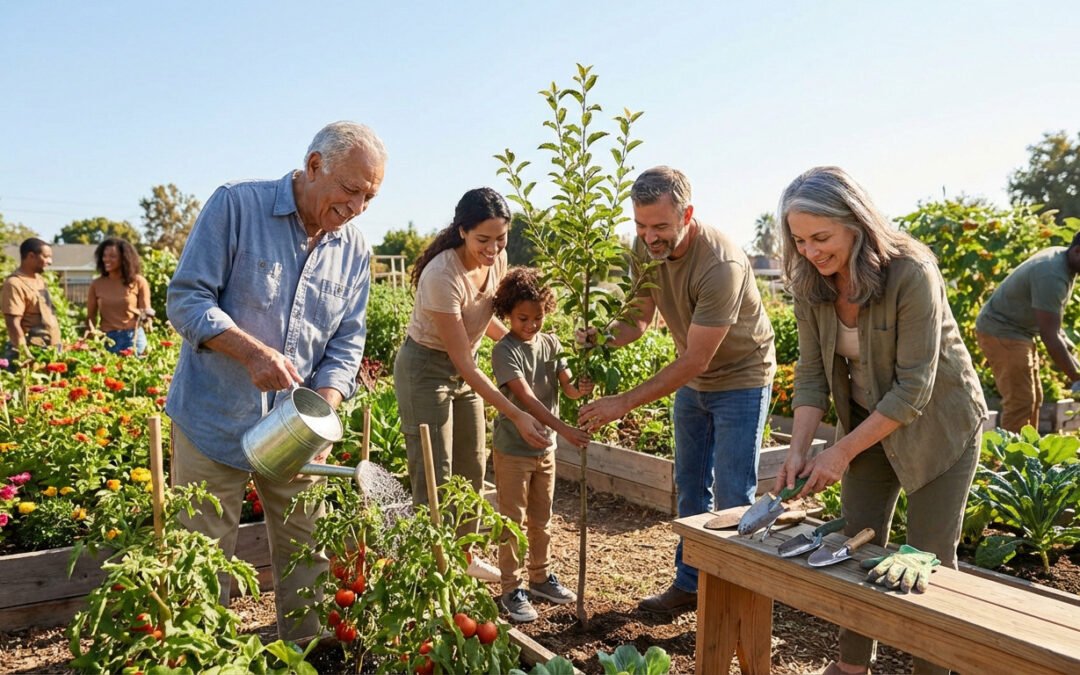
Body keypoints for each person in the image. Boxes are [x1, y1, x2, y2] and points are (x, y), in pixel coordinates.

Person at [166, 121, 385, 642]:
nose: (357, 207)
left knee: (305, 553)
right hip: (213, 419)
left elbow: (346, 344)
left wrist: (324, 411)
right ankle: (204, 654)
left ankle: (307, 653)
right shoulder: (236, 207)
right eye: (351, 190)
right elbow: (188, 299)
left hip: (294, 433)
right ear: (314, 166)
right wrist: (250, 352)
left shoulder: (354, 250)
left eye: (370, 197)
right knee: (201, 557)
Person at [774, 166, 986, 675]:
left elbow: (915, 387)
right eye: (799, 240)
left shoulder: (911, 271)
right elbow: (809, 374)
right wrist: (800, 448)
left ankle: (932, 669)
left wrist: (841, 451)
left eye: (821, 237)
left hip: (940, 425)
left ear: (856, 223)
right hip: (870, 422)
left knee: (926, 560)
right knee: (854, 543)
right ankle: (851, 667)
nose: (810, 251)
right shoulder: (810, 281)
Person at [579, 166, 776, 616]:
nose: (650, 237)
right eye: (641, 226)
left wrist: (622, 402)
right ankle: (690, 584)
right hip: (695, 381)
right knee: (689, 488)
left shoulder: (718, 264)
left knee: (732, 494)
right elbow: (639, 319)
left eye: (661, 227)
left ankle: (733, 600)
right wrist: (601, 338)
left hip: (741, 378)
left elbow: (696, 359)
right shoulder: (644, 247)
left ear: (687, 213)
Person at [393, 187, 551, 582]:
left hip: (464, 371)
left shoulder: (497, 262)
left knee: (471, 466)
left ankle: (463, 556)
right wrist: (516, 414)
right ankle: (433, 567)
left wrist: (521, 347)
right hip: (425, 370)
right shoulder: (441, 276)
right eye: (484, 239)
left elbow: (485, 324)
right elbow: (462, 359)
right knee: (435, 471)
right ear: (462, 231)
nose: (494, 248)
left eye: (501, 238)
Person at [489, 266, 592, 622]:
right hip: (513, 449)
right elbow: (528, 400)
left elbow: (569, 387)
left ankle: (540, 577)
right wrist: (564, 429)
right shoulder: (504, 351)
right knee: (512, 521)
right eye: (522, 318)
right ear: (507, 314)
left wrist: (583, 384)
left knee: (541, 519)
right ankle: (510, 588)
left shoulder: (551, 343)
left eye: (538, 317)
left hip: (545, 449)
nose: (531, 325)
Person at [975, 235, 1080, 432]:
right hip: (1002, 331)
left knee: (1034, 398)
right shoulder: (1052, 274)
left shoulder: (1063, 260)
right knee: (1020, 402)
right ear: (1077, 251)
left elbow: (1053, 324)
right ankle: (1009, 458)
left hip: (1019, 332)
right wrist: (1076, 377)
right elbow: (1050, 336)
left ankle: (1028, 454)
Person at [85, 238, 152, 355]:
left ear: (124, 259)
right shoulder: (97, 284)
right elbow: (91, 317)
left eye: (112, 256)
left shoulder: (138, 282)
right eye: (104, 256)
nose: (106, 259)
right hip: (108, 338)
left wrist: (148, 319)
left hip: (132, 337)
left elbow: (145, 309)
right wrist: (90, 339)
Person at [2, 238, 61, 365]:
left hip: (49, 349)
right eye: (46, 257)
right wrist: (23, 353)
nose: (50, 262)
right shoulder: (15, 283)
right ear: (31, 256)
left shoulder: (40, 280)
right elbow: (12, 322)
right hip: (31, 351)